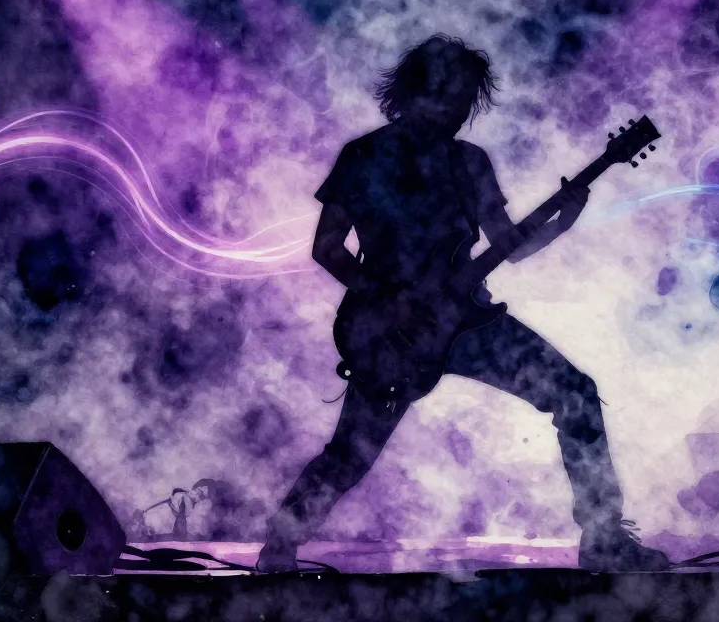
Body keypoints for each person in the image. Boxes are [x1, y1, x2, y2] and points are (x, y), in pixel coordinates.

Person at [255, 35, 669, 573]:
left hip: (470, 322)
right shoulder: (364, 156)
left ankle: (605, 537)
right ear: (416, 91)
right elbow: (327, 247)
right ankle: (279, 546)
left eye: (464, 100)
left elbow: (508, 247)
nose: (454, 111)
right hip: (391, 331)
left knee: (574, 392)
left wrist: (565, 217)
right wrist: (390, 303)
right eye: (446, 96)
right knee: (351, 453)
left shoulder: (469, 162)